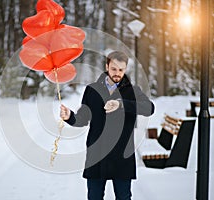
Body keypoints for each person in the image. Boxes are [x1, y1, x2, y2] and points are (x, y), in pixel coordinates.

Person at [60, 51, 155, 200]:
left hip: (122, 155)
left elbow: (149, 108)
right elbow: (83, 118)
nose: (117, 73)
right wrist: (70, 117)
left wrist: (121, 104)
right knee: (94, 197)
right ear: (107, 66)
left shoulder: (132, 91)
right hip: (97, 155)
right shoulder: (92, 90)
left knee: (123, 197)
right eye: (114, 69)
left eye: (121, 70)